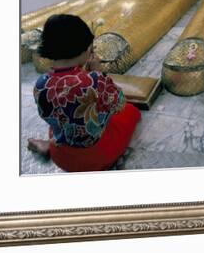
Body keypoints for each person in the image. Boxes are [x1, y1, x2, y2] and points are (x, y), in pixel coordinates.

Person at [27, 14, 141, 172]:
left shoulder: (40, 83)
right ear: (86, 48)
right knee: (131, 111)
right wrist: (99, 73)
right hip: (97, 158)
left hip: (62, 158)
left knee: (65, 115)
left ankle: (49, 146)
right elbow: (118, 103)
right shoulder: (94, 79)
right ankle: (50, 146)